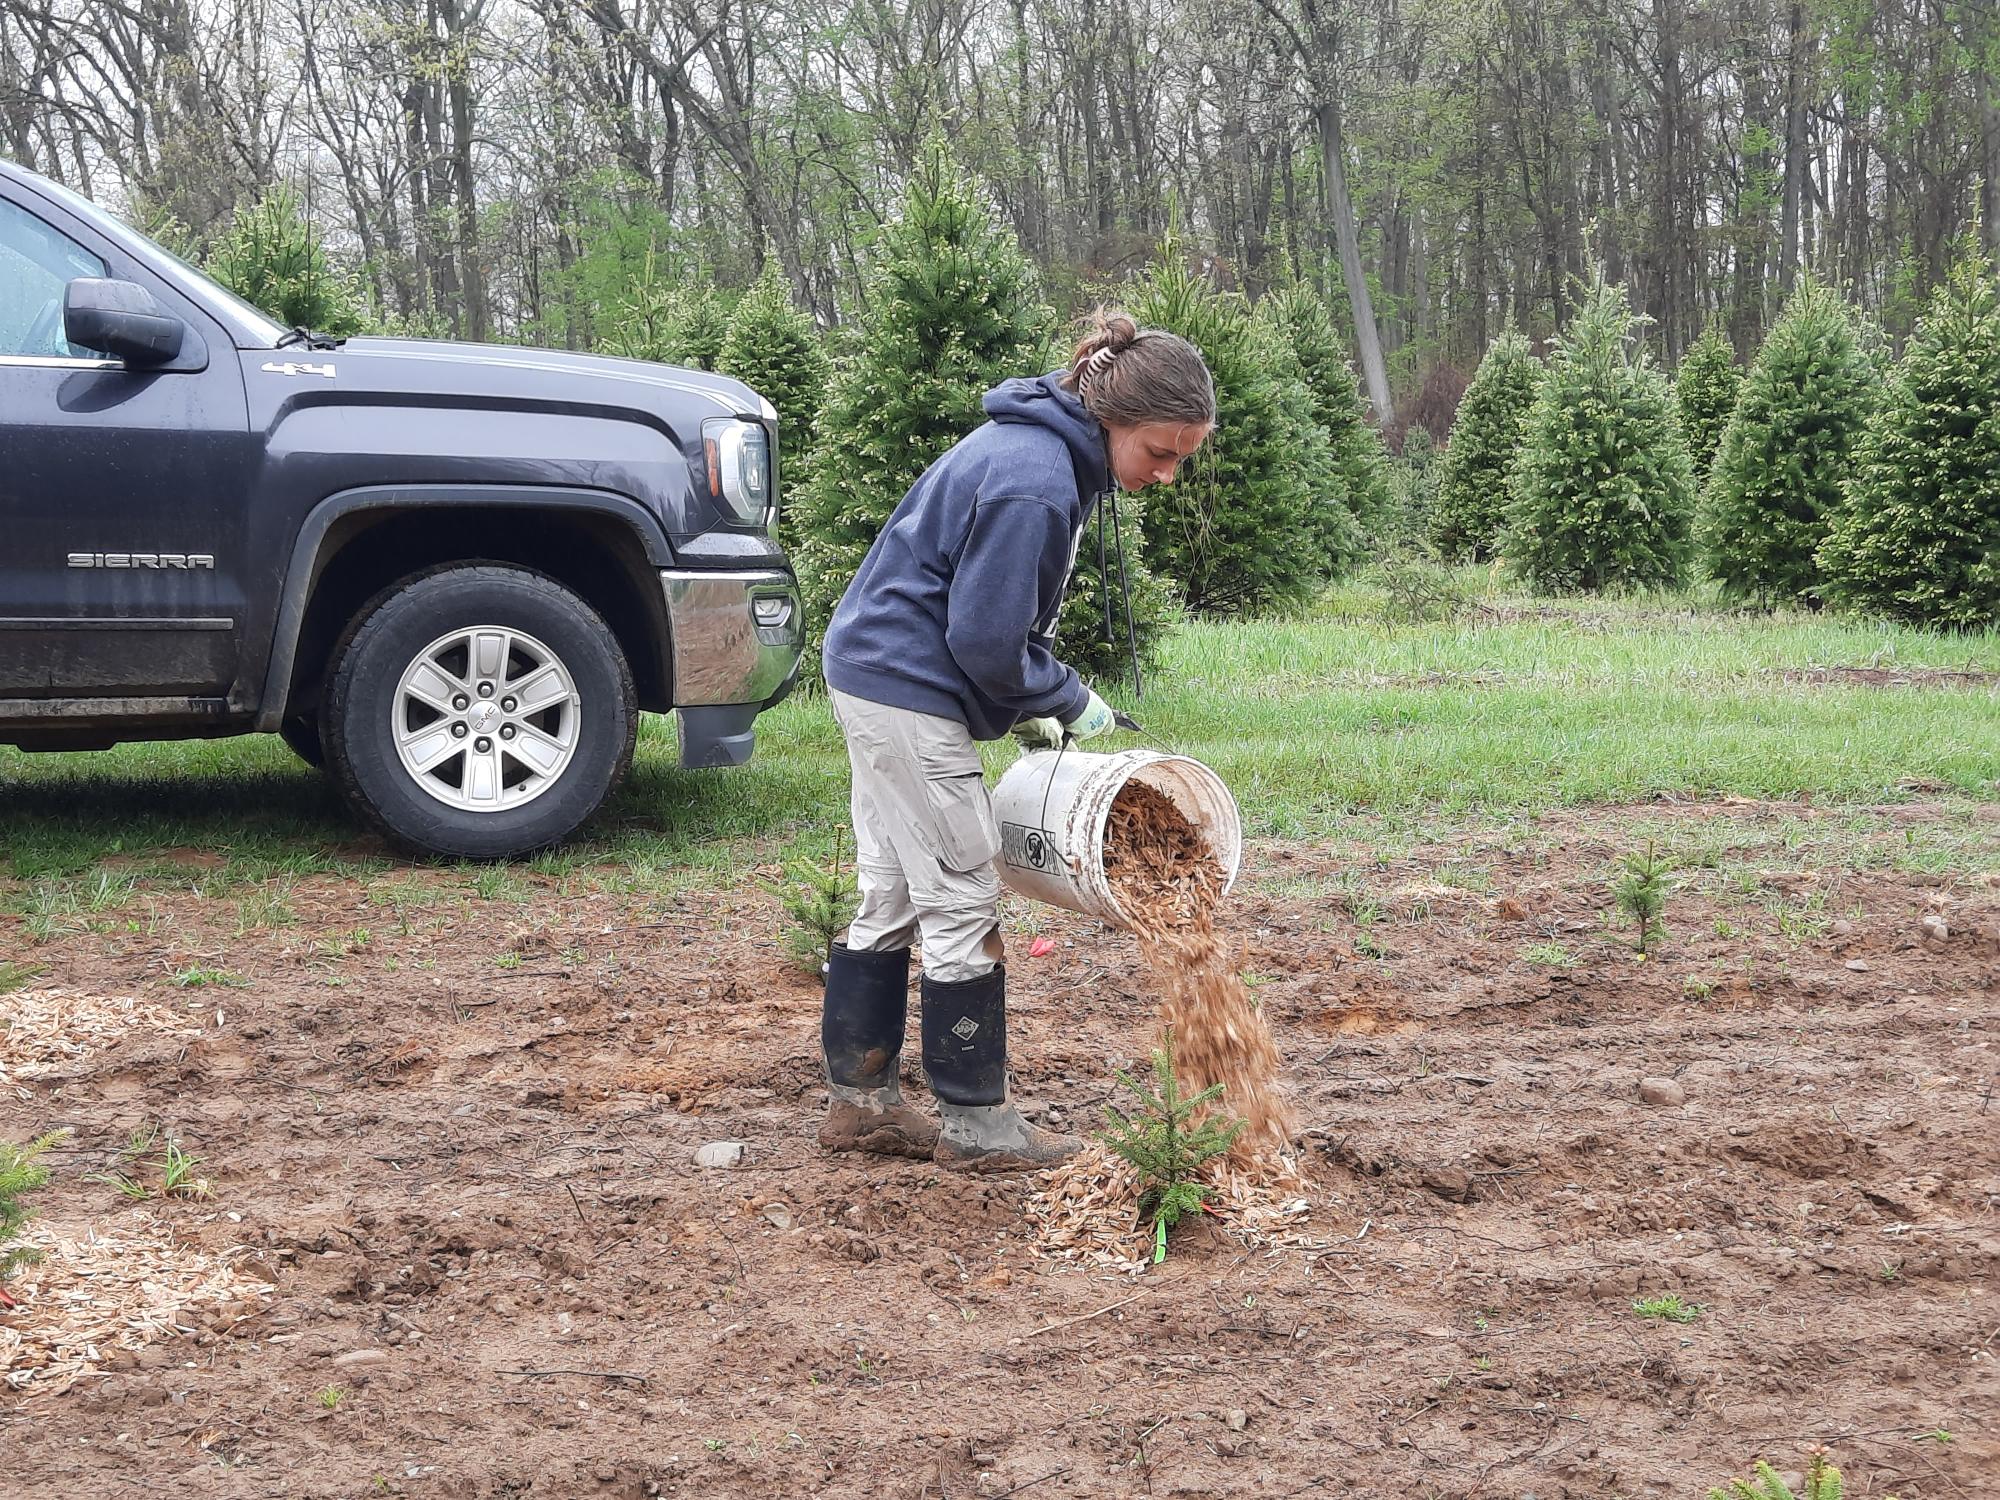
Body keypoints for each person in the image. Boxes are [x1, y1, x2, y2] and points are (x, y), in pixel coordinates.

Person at [817, 310, 1216, 1171]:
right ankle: (978, 1125)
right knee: (961, 893)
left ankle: (862, 1102)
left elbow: (985, 627)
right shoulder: (1035, 479)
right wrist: (1065, 697)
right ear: (1112, 421)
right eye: (1160, 452)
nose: (1168, 473)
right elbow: (987, 642)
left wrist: (1029, 693)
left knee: (890, 887)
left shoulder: (1038, 453)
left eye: (1183, 456)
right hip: (906, 690)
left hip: (875, 671)